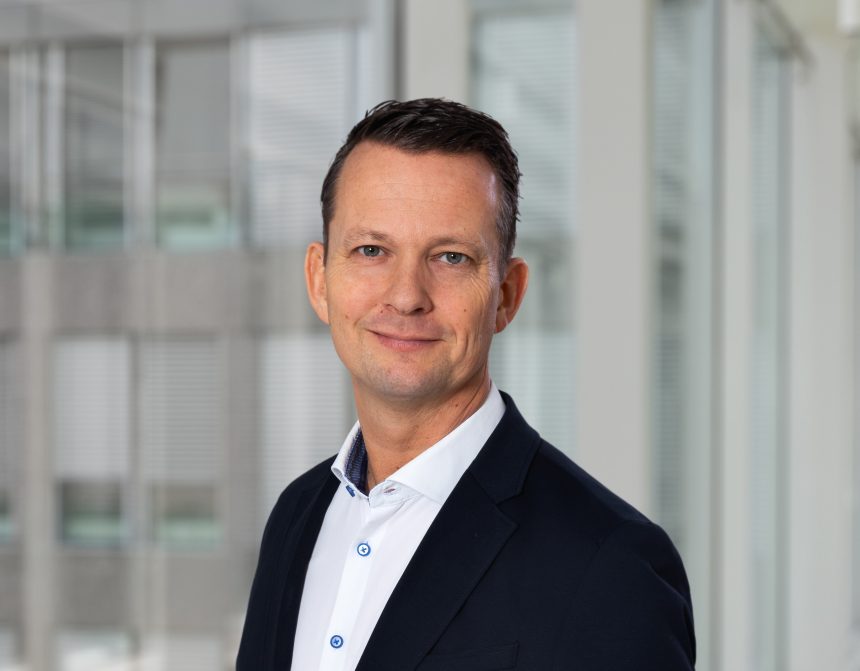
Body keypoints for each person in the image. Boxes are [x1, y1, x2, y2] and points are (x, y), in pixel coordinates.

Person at [237, 98, 696, 671]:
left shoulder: (610, 565)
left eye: (450, 257)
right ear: (319, 279)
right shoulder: (296, 515)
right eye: (371, 250)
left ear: (506, 295)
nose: (406, 296)